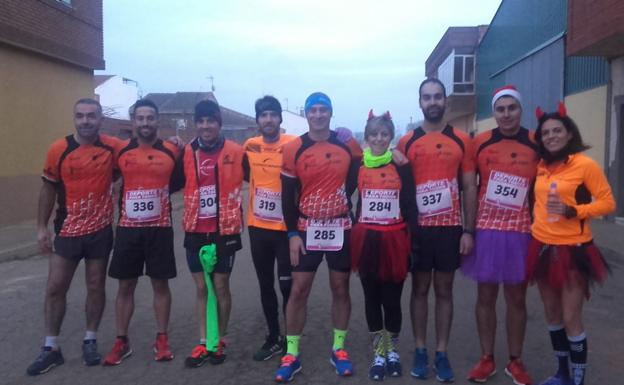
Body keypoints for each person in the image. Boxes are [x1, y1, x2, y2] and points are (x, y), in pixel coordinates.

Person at [27, 98, 121, 375]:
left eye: (91, 116)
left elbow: (139, 147)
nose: (86, 121)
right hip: (67, 230)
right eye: (80, 116)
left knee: (95, 286)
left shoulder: (111, 147)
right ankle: (50, 347)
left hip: (100, 230)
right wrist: (41, 228)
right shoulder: (59, 149)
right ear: (74, 119)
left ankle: (90, 339)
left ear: (101, 118)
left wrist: (175, 142)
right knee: (55, 287)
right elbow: (48, 190)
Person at [274, 92, 362, 382]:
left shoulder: (347, 144)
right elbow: (287, 197)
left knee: (340, 287)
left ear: (331, 113)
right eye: (314, 110)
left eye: (324, 110)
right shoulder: (295, 148)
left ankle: (338, 349)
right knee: (299, 290)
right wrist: (292, 234)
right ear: (307, 113)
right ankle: (292, 353)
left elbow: (355, 180)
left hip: (339, 227)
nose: (319, 115)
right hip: (306, 228)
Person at [528, 103, 615, 385]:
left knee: (570, 316)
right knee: (552, 314)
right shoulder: (540, 166)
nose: (551, 136)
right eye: (546, 132)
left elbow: (608, 203)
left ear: (568, 134)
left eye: (557, 130)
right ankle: (562, 374)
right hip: (542, 247)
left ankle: (577, 380)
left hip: (573, 249)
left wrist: (575, 210)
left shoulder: (584, 164)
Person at [397, 78, 477, 383]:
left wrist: (469, 230)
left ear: (446, 101)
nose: (433, 102)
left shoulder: (461, 140)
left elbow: (469, 185)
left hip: (449, 229)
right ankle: (420, 349)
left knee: (444, 290)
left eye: (438, 97)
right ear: (420, 103)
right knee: (419, 289)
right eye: (427, 97)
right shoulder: (407, 141)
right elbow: (397, 187)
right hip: (417, 230)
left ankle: (441, 352)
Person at [461, 86, 539, 385]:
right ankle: (487, 358)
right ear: (494, 112)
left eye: (512, 108)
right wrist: (468, 229)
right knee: (486, 296)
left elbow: (542, 188)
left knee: (517, 298)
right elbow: (470, 187)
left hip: (521, 230)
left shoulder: (535, 142)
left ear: (521, 109)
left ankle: (516, 361)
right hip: (487, 229)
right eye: (500, 109)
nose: (506, 114)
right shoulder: (480, 143)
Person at [103, 99, 181, 365]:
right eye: (140, 118)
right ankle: (121, 341)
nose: (145, 123)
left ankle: (162, 339)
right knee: (126, 285)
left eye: (150, 118)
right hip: (128, 230)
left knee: (160, 284)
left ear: (157, 121)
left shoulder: (172, 150)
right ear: (133, 121)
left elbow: (181, 181)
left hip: (160, 229)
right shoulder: (120, 151)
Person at [351, 111, 418, 381]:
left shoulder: (401, 165)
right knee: (371, 298)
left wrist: (413, 245)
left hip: (394, 237)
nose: (379, 138)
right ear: (366, 138)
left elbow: (411, 204)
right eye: (374, 134)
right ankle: (379, 351)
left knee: (392, 300)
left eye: (384, 134)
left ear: (391, 137)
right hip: (366, 238)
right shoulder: (359, 165)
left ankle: (393, 350)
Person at [178, 100, 244, 367]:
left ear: (219, 123)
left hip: (225, 228)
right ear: (197, 123)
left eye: (211, 121)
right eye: (201, 121)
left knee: (220, 285)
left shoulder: (237, 151)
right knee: (202, 288)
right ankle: (204, 341)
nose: (206, 126)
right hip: (195, 227)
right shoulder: (185, 151)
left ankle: (219, 339)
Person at [243, 96, 296, 361]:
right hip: (258, 227)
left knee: (287, 286)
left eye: (273, 114)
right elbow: (244, 174)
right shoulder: (250, 146)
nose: (268, 119)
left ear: (280, 118)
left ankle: (290, 338)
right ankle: (273, 336)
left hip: (285, 229)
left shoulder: (292, 144)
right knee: (266, 284)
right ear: (257, 120)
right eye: (263, 115)